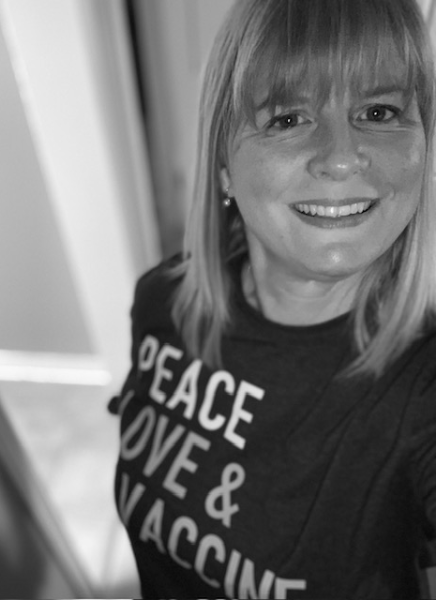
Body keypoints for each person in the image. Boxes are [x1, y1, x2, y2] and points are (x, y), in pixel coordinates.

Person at [109, 0, 436, 597]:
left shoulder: (421, 389)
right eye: (288, 118)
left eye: (380, 110)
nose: (341, 157)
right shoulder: (164, 301)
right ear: (224, 164)